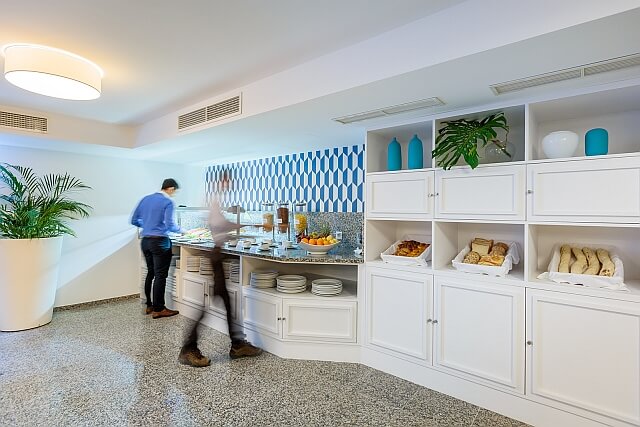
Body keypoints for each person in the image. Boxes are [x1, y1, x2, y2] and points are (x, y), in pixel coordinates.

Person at [179, 170, 262, 367]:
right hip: (215, 256)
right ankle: (188, 349)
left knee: (224, 301)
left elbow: (220, 227)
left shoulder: (216, 198)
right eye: (226, 180)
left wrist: (238, 229)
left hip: (218, 254)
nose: (229, 183)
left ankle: (237, 344)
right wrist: (249, 225)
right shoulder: (212, 197)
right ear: (220, 181)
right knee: (210, 303)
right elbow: (219, 224)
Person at [131, 178, 183, 319]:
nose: (173, 194)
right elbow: (170, 225)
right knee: (160, 275)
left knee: (151, 273)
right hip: (160, 241)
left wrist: (148, 225)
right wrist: (183, 231)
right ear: (171, 188)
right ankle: (159, 309)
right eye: (174, 191)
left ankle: (149, 305)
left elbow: (134, 220)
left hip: (146, 241)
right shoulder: (167, 202)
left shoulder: (145, 199)